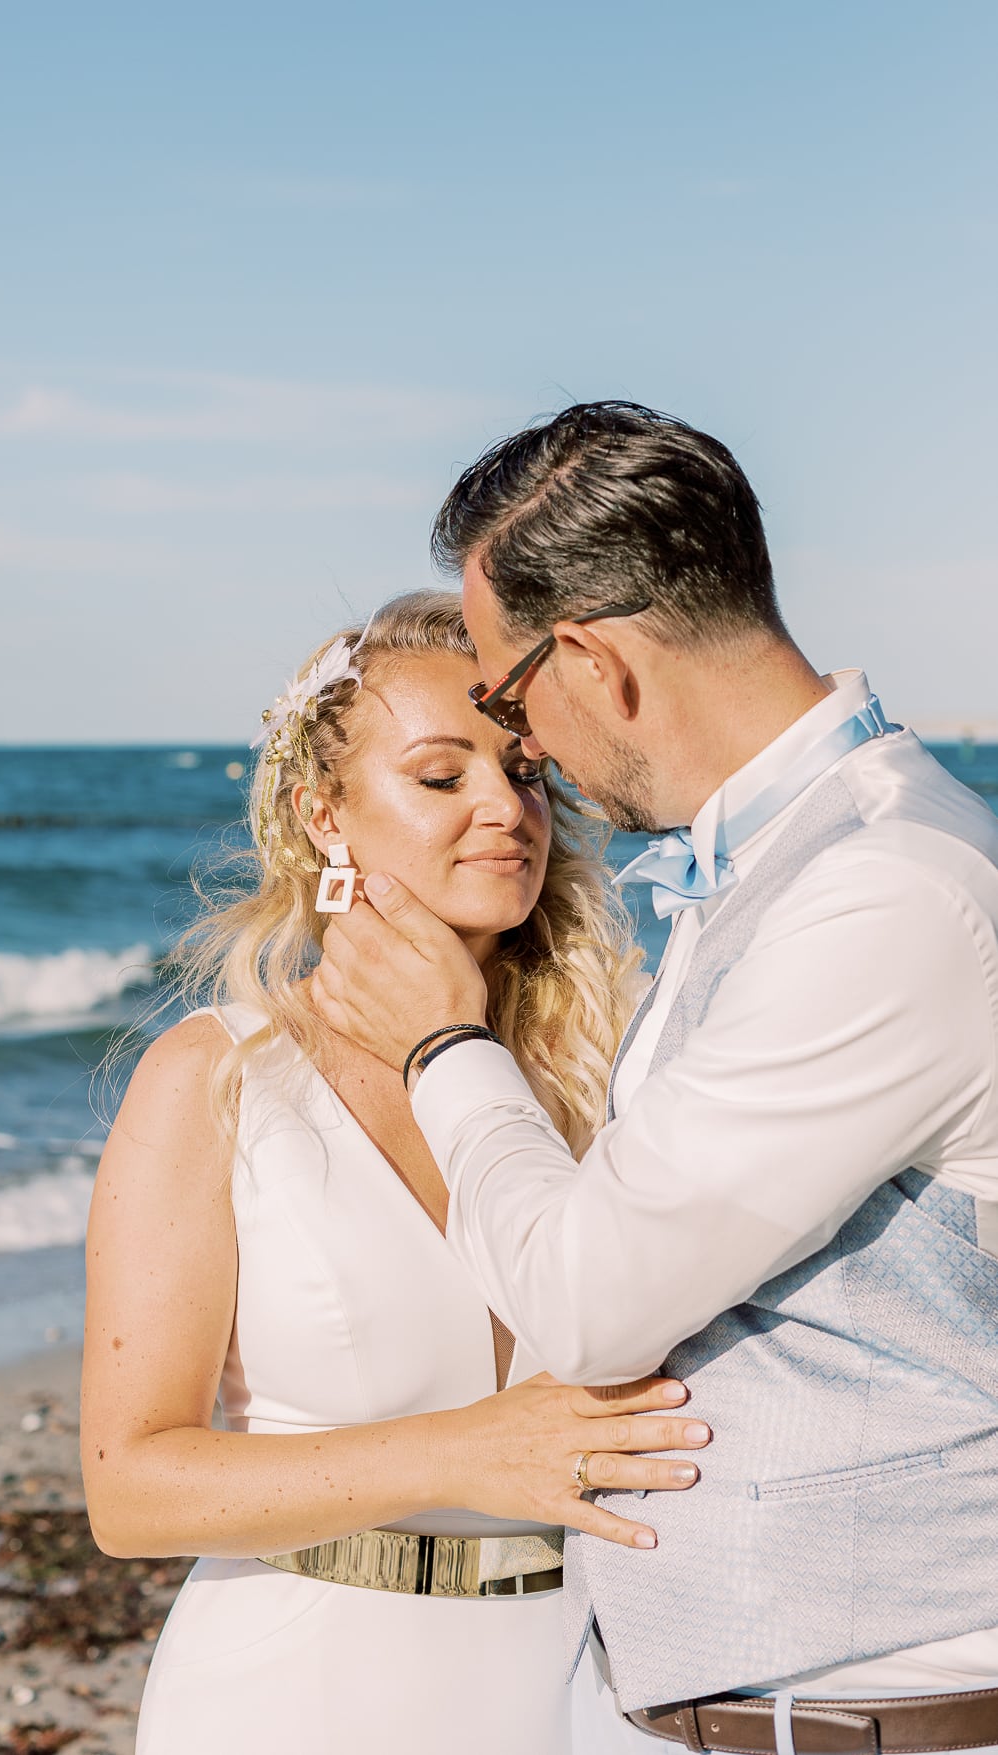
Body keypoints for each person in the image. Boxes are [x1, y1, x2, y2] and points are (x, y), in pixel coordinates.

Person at [313, 405, 998, 1753]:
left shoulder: (880, 886)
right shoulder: (762, 863)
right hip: (706, 1699)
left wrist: (448, 1044)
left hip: (870, 1709)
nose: (536, 768)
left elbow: (590, 1299)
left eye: (511, 705)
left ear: (592, 661)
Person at [80, 591, 711, 1755]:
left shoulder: (602, 1073)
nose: (503, 808)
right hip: (300, 1689)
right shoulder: (218, 1080)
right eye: (439, 777)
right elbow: (129, 1487)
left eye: (526, 772)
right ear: (326, 817)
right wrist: (468, 1452)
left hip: (584, 1689)